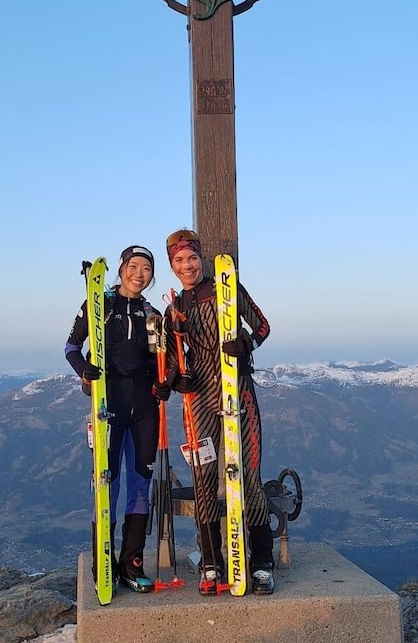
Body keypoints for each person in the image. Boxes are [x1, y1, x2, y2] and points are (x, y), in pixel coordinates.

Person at [163, 228, 276, 595]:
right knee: (204, 480)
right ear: (172, 266)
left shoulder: (228, 290)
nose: (187, 265)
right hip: (199, 401)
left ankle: (261, 563)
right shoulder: (174, 308)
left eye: (192, 258)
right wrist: (176, 379)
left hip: (237, 393)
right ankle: (212, 562)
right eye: (179, 260)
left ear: (201, 259)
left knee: (248, 477)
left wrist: (247, 343)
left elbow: (262, 325)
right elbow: (168, 360)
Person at [64, 245, 168, 593]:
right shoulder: (100, 306)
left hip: (144, 407)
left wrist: (163, 383)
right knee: (106, 484)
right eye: (134, 266)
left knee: (140, 484)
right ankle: (103, 564)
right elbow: (71, 347)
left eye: (146, 269)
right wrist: (86, 372)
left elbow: (161, 362)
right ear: (122, 269)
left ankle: (132, 564)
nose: (140, 274)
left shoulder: (153, 314)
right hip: (108, 404)